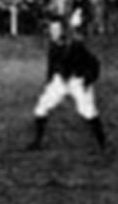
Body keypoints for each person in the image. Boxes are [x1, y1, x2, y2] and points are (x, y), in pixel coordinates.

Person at [26, 17, 106, 152]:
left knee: (88, 112)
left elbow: (94, 63)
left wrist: (88, 80)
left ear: (63, 30)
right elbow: (52, 64)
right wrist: (50, 81)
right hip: (61, 80)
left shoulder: (75, 45)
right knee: (41, 106)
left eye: (56, 29)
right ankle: (37, 142)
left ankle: (102, 143)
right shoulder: (53, 44)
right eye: (51, 29)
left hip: (77, 80)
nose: (53, 31)